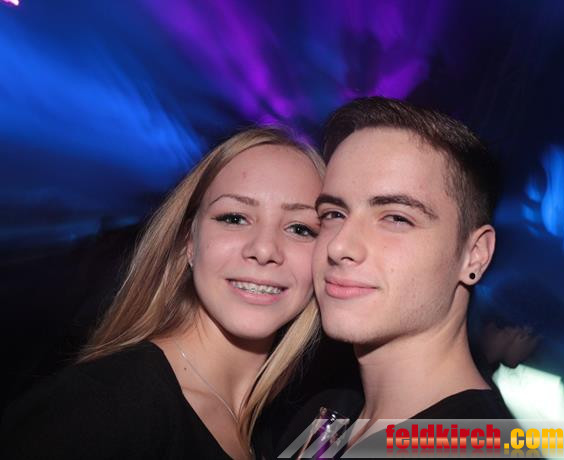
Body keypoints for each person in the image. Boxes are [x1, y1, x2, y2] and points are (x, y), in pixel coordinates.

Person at [1, 126, 325, 459]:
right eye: (234, 218)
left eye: (299, 228)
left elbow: (365, 441)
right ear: (188, 243)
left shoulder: (287, 430)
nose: (264, 249)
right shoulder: (105, 405)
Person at [276, 97, 512, 456]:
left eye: (396, 218)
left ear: (474, 254)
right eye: (334, 214)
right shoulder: (329, 417)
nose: (339, 246)